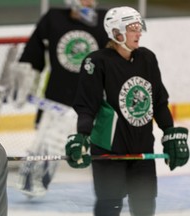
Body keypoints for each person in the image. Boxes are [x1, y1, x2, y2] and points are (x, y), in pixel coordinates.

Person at [65, 6, 189, 216]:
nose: (138, 33)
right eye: (132, 28)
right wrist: (82, 136)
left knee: (144, 209)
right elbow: (87, 106)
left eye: (139, 28)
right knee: (110, 208)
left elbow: (158, 101)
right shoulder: (97, 62)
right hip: (109, 153)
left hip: (142, 151)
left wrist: (169, 131)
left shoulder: (147, 58)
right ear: (116, 31)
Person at [12, 0, 110, 197]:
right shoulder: (53, 19)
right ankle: (34, 179)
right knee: (48, 146)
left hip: (95, 100)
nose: (88, 2)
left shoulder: (106, 21)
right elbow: (32, 55)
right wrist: (24, 80)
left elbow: (120, 60)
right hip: (58, 99)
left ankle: (116, 187)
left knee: (110, 151)